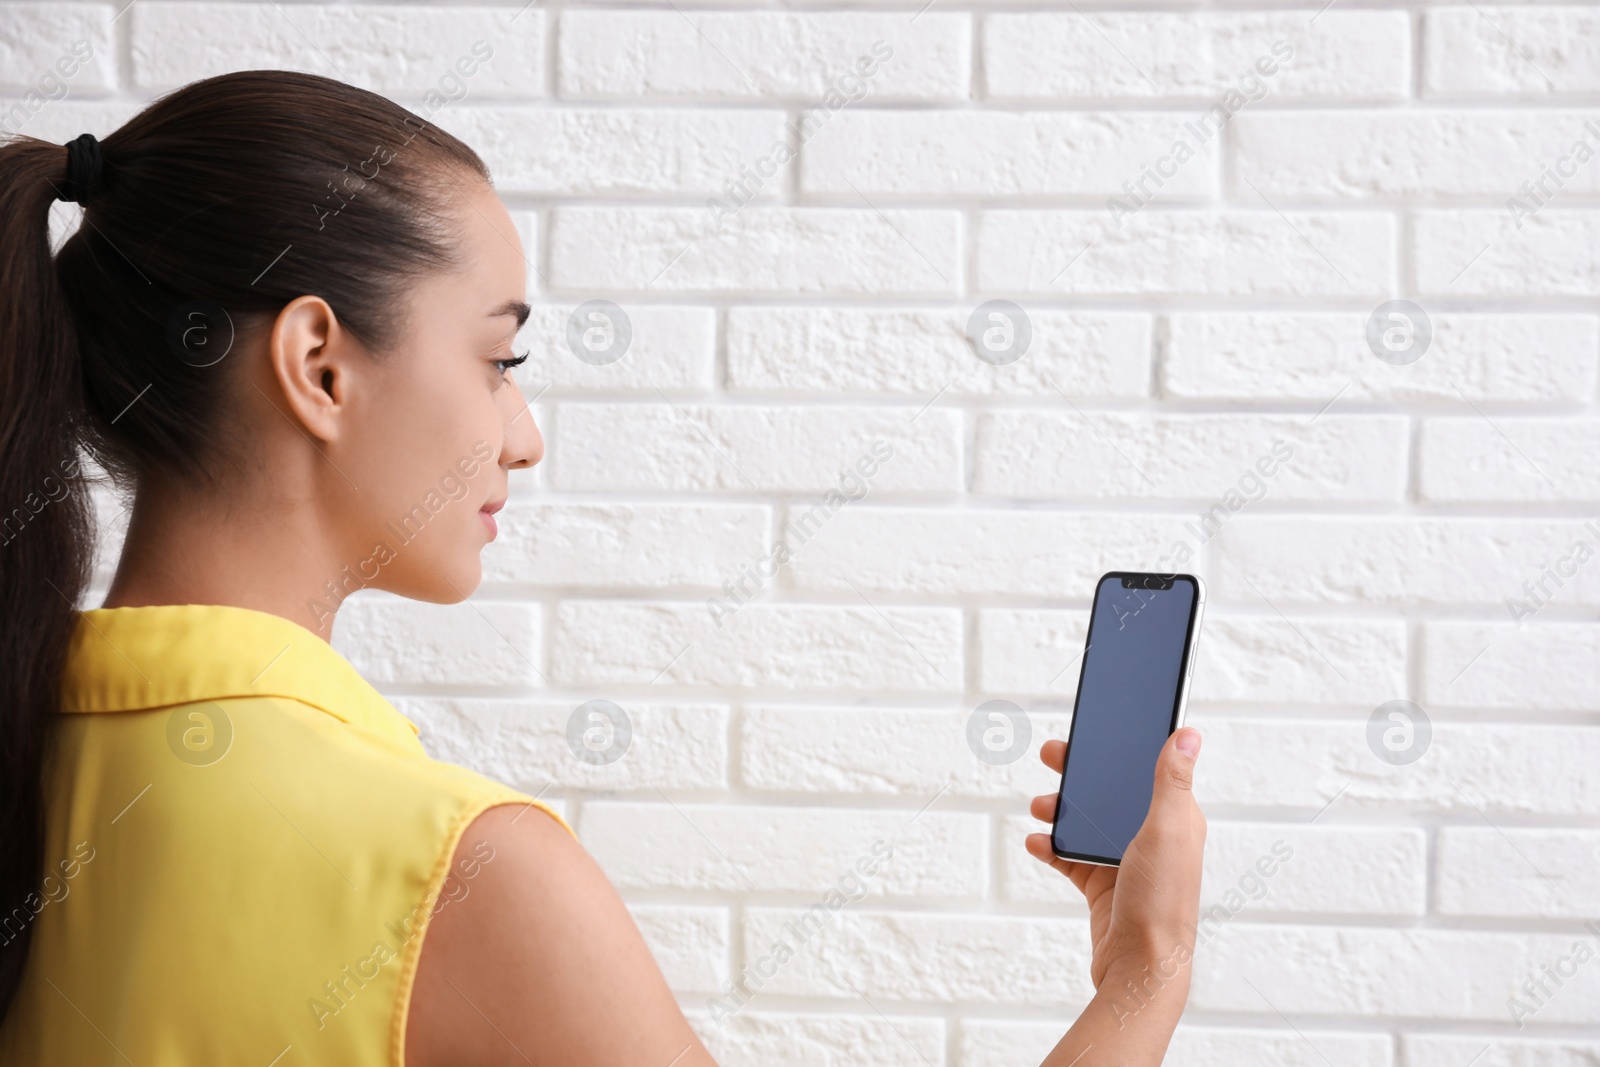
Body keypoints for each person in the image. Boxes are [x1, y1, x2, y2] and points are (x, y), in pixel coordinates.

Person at [0, 70, 1207, 1066]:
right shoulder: (461, 872)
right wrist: (1142, 977)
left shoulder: (35, 756)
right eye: (496, 358)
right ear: (318, 363)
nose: (524, 434)